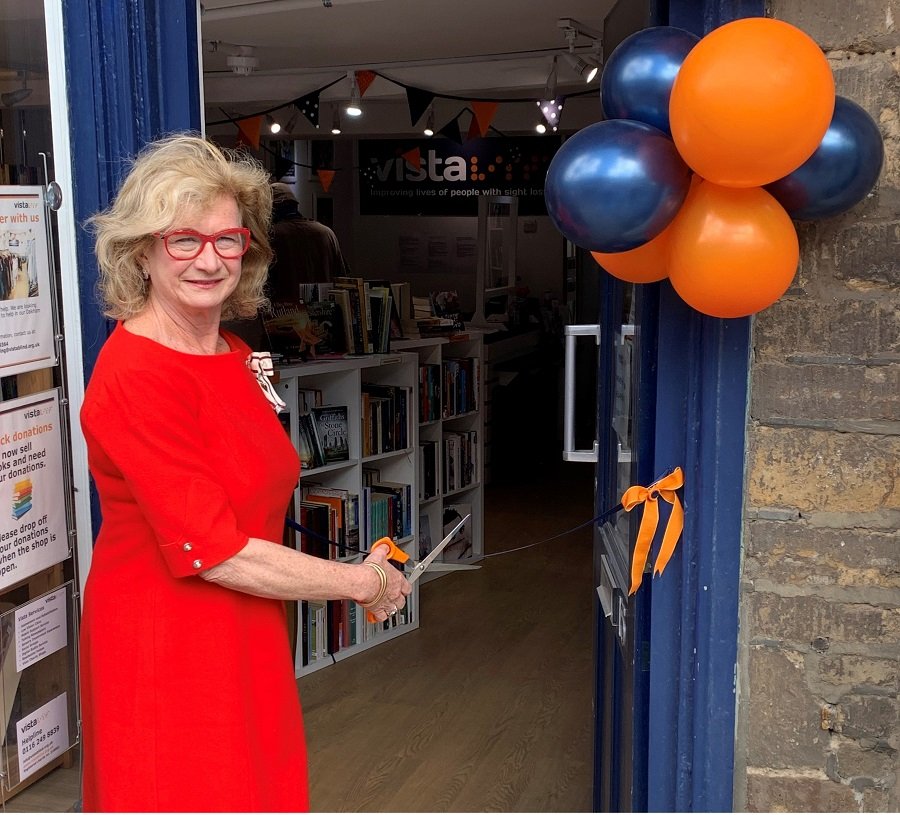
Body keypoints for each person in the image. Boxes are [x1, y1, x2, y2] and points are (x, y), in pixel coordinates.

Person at [80, 134, 410, 813]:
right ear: (142, 249)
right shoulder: (135, 373)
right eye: (184, 240)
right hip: (168, 644)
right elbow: (213, 548)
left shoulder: (232, 350)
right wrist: (358, 582)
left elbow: (247, 497)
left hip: (246, 632)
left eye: (227, 240)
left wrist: (346, 563)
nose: (209, 259)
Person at [267, 182, 349, 303]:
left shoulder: (272, 236)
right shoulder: (326, 233)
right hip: (325, 314)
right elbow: (343, 279)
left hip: (286, 315)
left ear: (271, 209)